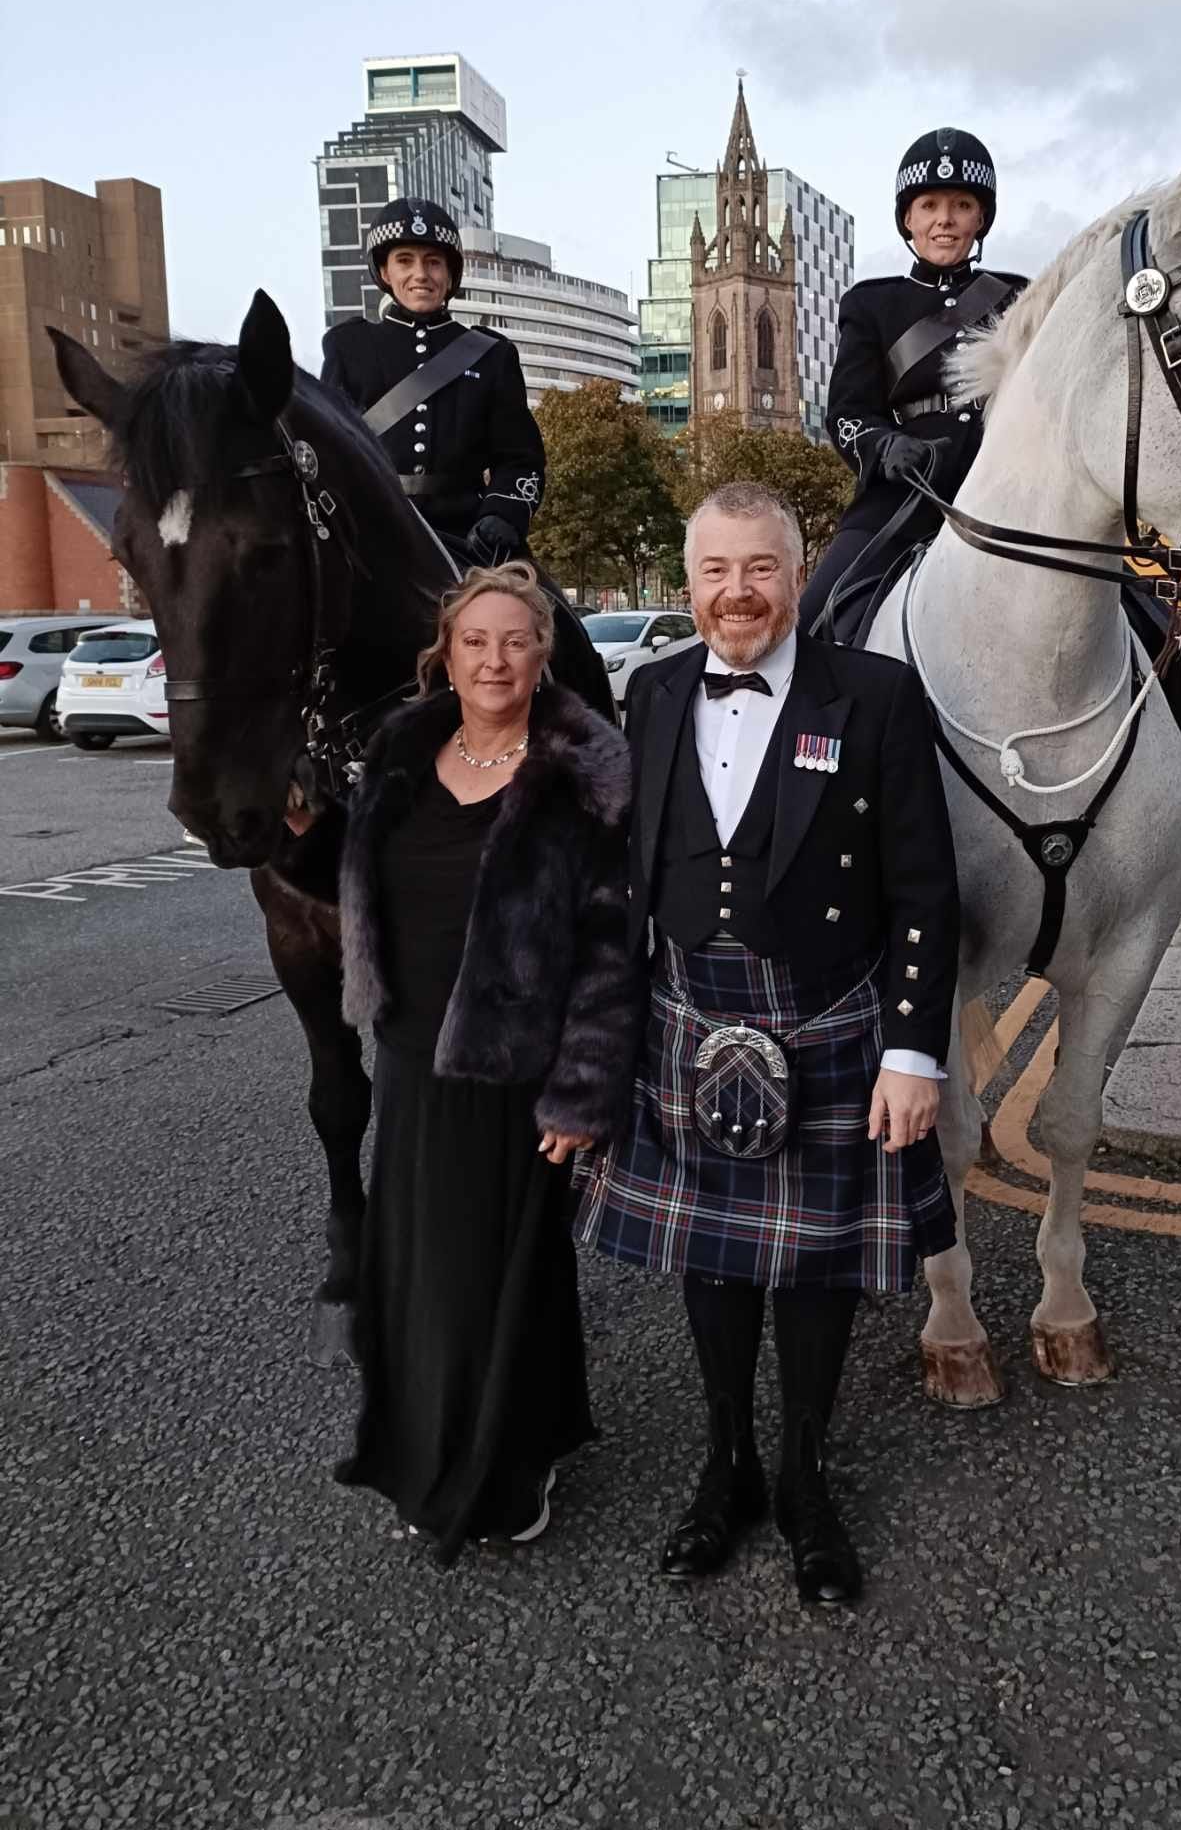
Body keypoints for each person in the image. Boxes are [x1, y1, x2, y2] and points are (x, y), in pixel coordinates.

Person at [574, 482, 960, 1607]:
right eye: (713, 571)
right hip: (689, 1015)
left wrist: (912, 1052)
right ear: (687, 581)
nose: (736, 592)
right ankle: (725, 1461)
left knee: (819, 1261)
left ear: (798, 575)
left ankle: (802, 1475)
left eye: (759, 568)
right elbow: (620, 873)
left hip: (830, 1017)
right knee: (712, 1257)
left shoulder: (875, 694)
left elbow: (925, 887)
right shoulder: (647, 693)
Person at [800, 129, 1181, 855]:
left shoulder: (1018, 298)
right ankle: (806, 790)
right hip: (903, 499)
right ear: (907, 219)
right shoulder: (871, 303)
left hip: (1012, 494)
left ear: (980, 217)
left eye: (960, 204)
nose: (944, 219)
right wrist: (882, 444)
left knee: (1138, 612)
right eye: (928, 205)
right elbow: (847, 412)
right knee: (819, 613)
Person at [335, 562, 637, 1565]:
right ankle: (422, 1447)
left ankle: (514, 1461)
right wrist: (295, 838)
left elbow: (608, 939)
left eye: (515, 639)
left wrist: (583, 1085)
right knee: (417, 1272)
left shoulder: (584, 762)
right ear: (447, 653)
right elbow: (356, 878)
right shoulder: (403, 744)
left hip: (520, 1067)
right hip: (412, 1052)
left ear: (543, 651)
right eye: (476, 641)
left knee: (503, 1274)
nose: (495, 658)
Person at [321, 198, 612, 715]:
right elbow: (329, 454)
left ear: (451, 274)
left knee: (563, 628)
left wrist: (502, 513)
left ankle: (597, 747)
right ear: (384, 271)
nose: (420, 275)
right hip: (372, 536)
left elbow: (520, 459)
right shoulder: (349, 347)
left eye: (434, 262)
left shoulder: (490, 353)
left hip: (469, 535)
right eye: (406, 261)